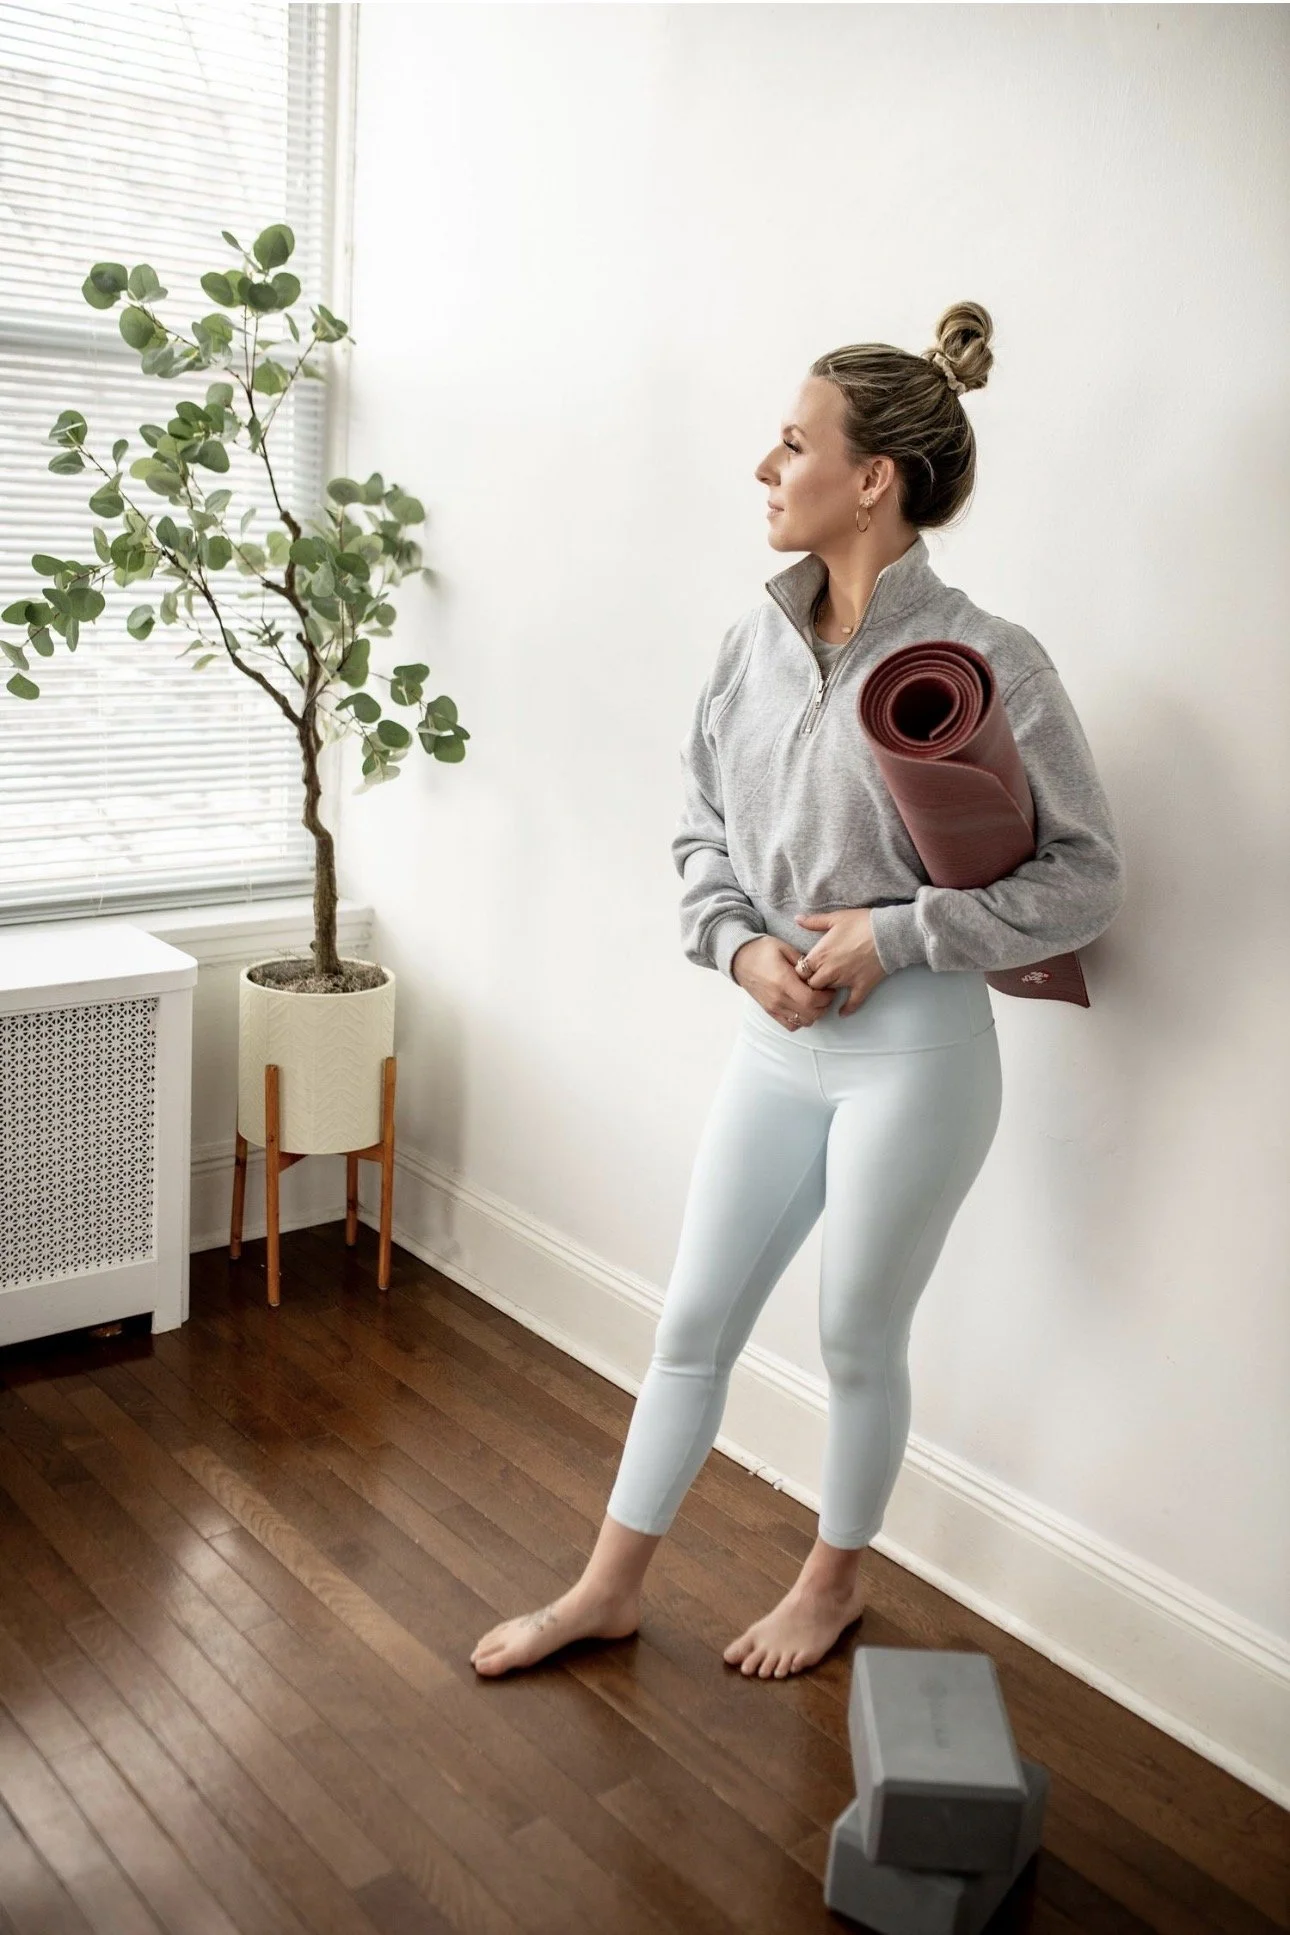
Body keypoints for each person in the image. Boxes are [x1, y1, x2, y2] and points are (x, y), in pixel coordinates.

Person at [471, 300, 1126, 1680]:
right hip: (777, 1044)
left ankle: (830, 1585)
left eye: (790, 446)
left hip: (918, 1053)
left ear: (870, 477)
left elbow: (1084, 880)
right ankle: (605, 1587)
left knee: (851, 1332)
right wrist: (736, 945)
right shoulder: (747, 643)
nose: (765, 472)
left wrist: (895, 937)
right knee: (695, 1317)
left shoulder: (987, 658)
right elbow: (699, 825)